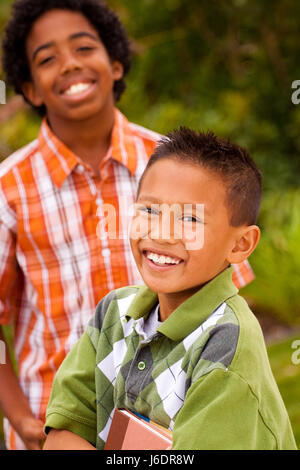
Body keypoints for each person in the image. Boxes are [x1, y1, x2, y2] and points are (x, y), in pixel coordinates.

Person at [0, 0, 254, 450]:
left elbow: (224, 290)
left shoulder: (175, 164)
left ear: (115, 64)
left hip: (168, 426)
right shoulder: (8, 189)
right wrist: (22, 419)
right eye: (47, 58)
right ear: (30, 88)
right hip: (55, 425)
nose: (71, 64)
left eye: (83, 47)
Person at [43, 128, 297, 450]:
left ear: (240, 244)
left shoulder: (227, 345)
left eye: (190, 219)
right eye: (149, 211)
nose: (161, 232)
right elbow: (64, 433)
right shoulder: (114, 313)